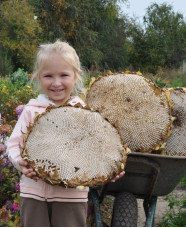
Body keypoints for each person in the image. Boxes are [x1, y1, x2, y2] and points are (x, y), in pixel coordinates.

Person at [7, 40, 124, 227]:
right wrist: (20, 164)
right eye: (48, 76)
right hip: (33, 193)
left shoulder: (84, 114)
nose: (56, 83)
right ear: (38, 77)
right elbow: (13, 144)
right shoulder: (31, 111)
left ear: (76, 76)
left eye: (64, 75)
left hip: (72, 196)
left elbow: (97, 149)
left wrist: (110, 168)